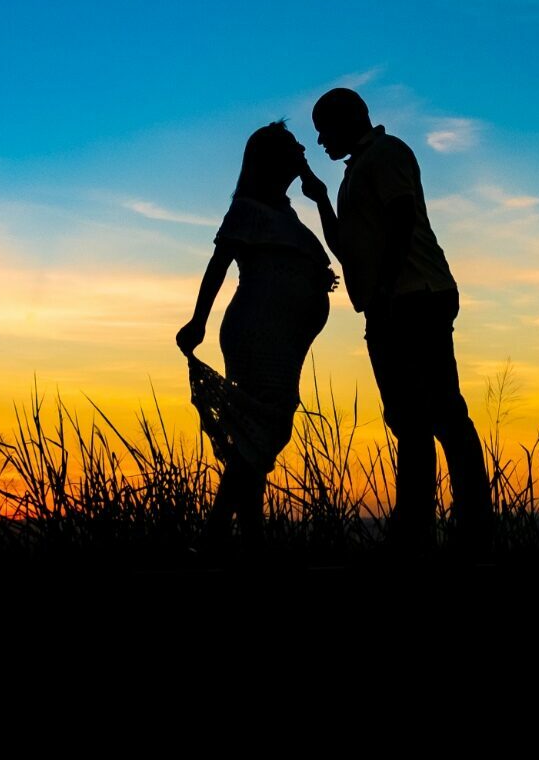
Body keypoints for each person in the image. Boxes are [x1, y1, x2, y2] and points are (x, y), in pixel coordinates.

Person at [305, 86, 491, 550]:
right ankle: (422, 530)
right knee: (412, 419)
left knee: (441, 413)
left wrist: (386, 291)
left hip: (414, 298)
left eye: (324, 130)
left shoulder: (386, 153)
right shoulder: (355, 173)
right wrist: (321, 199)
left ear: (349, 120)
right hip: (393, 303)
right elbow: (346, 248)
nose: (321, 141)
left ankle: (464, 528)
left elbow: (403, 216)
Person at [176, 120, 337, 548]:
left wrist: (316, 191)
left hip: (284, 340)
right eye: (293, 145)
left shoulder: (286, 212)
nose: (303, 148)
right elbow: (218, 265)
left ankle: (246, 538)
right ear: (272, 159)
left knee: (258, 435)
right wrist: (198, 321)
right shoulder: (247, 208)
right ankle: (220, 536)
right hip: (257, 333)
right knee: (262, 429)